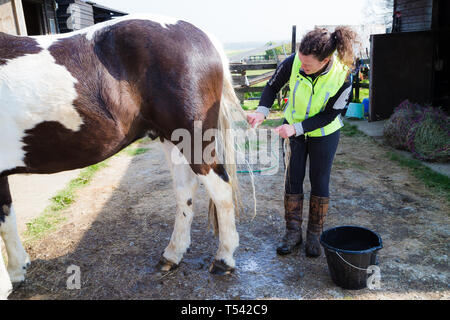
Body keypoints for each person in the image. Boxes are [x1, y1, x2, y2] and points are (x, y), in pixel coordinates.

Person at [247, 27, 357, 257]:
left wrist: (295, 128)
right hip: (293, 131)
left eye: (308, 65)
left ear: (325, 60)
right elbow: (272, 86)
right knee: (292, 180)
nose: (302, 67)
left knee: (319, 181)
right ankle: (293, 233)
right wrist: (261, 112)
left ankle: (314, 236)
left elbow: (329, 114)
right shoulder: (294, 61)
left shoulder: (343, 76)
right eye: (300, 62)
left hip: (324, 133)